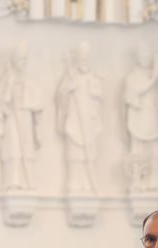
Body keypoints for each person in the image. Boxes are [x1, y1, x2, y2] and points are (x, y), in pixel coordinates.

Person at [0, 43, 44, 192]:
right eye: (21, 59)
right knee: (13, 148)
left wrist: (33, 106)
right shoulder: (7, 80)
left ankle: (29, 182)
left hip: (26, 115)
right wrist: (9, 86)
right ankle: (13, 182)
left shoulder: (31, 80)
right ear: (14, 60)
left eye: (25, 59)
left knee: (27, 148)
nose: (23, 63)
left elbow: (38, 103)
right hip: (12, 116)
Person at [56, 41, 103, 195]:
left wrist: (95, 93)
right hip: (75, 121)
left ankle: (90, 184)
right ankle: (75, 184)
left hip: (89, 120)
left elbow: (99, 97)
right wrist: (68, 90)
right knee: (75, 154)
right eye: (81, 55)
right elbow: (60, 97)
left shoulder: (94, 77)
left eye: (86, 55)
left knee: (90, 154)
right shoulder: (71, 76)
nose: (84, 58)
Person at [124, 43, 158, 193]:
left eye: (148, 57)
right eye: (143, 56)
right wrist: (155, 79)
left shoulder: (155, 76)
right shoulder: (132, 76)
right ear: (138, 58)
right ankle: (138, 180)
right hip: (138, 117)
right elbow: (137, 91)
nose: (146, 59)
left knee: (154, 151)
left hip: (153, 116)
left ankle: (154, 179)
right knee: (138, 150)